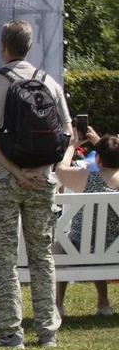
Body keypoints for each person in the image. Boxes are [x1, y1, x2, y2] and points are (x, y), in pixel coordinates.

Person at [0, 19, 72, 349]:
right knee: (42, 256)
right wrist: (42, 170)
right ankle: (48, 332)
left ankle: (11, 333)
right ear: (30, 47)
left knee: (4, 258)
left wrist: (15, 170)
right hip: (43, 181)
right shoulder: (50, 84)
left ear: (3, 46)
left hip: (3, 180)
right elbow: (68, 135)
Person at [54, 128, 118, 317]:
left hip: (77, 248)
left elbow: (60, 169)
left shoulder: (85, 177)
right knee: (99, 239)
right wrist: (100, 144)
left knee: (61, 246)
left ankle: (58, 304)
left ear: (97, 158)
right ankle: (103, 302)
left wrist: (73, 145)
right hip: (114, 250)